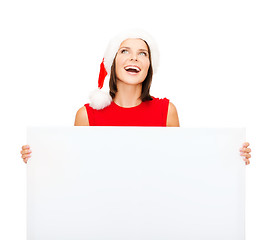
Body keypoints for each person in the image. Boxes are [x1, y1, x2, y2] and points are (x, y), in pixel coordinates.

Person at [20, 29, 251, 165]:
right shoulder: (87, 115)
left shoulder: (166, 111)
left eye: (143, 53)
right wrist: (40, 157)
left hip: (152, 215)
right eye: (124, 51)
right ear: (112, 62)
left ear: (149, 65)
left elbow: (183, 163)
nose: (134, 58)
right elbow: (73, 166)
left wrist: (230, 154)